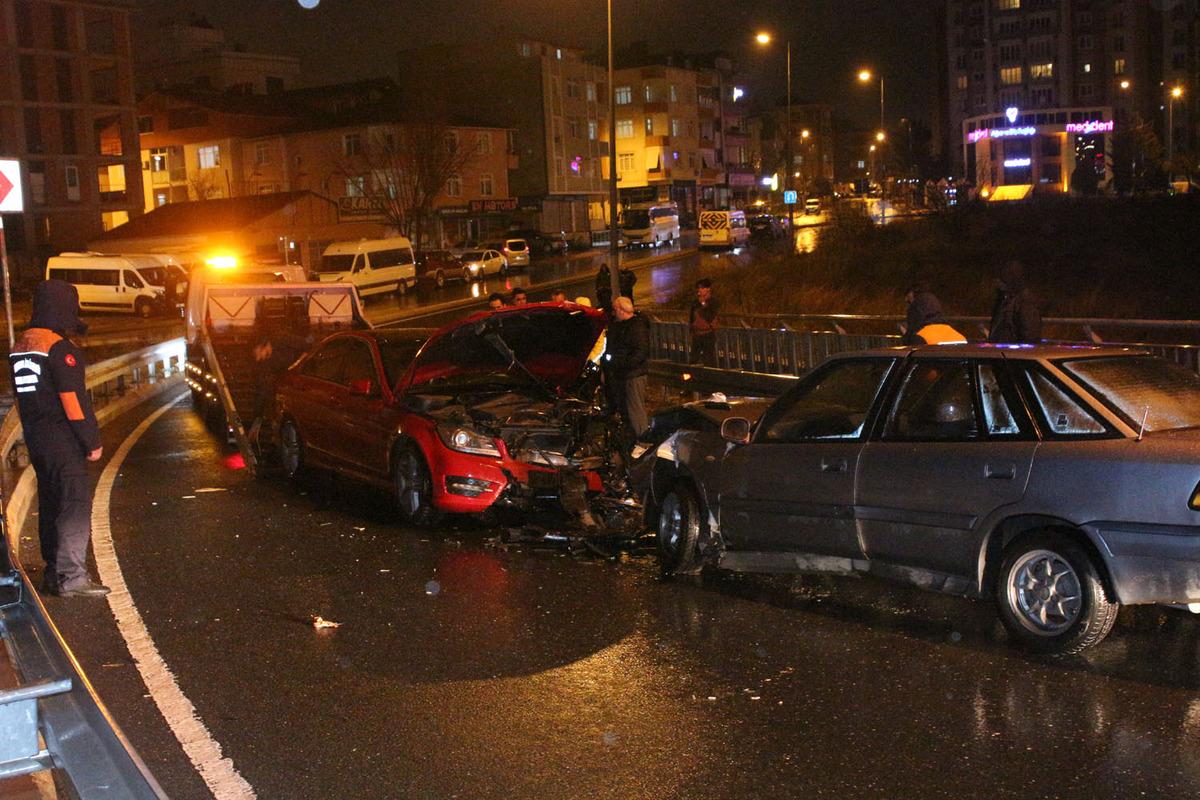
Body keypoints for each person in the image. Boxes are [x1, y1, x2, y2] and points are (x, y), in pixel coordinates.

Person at [9, 280, 108, 597]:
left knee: (51, 505)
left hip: (36, 439)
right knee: (73, 506)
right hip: (63, 441)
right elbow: (73, 402)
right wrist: (91, 441)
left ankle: (55, 572)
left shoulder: (21, 345)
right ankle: (71, 578)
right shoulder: (60, 349)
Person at [603, 296, 650, 437]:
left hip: (632, 375)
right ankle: (631, 440)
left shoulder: (636, 326)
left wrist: (622, 364)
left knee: (635, 411)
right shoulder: (620, 326)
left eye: (614, 309)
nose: (613, 313)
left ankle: (642, 439)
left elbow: (640, 352)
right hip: (622, 375)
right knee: (626, 411)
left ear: (619, 309)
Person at [988, 260, 1043, 344]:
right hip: (1004, 352)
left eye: (1005, 276)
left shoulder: (1024, 301)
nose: (997, 282)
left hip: (1013, 353)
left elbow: (1030, 334)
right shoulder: (1005, 300)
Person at [689, 278, 719, 365]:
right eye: (698, 288)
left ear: (708, 289)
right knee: (694, 359)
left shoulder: (713, 301)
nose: (699, 290)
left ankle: (710, 376)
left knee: (709, 359)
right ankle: (692, 376)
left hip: (708, 334)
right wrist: (691, 329)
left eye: (702, 288)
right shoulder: (695, 302)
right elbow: (692, 317)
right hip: (696, 334)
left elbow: (709, 316)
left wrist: (703, 304)